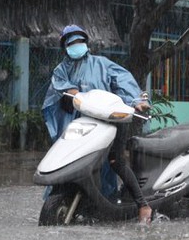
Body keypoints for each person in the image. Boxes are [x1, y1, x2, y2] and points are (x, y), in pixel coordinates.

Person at [41, 24, 153, 225]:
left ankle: (143, 204)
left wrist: (138, 101)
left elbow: (124, 80)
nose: (76, 45)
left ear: (86, 43)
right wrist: (77, 96)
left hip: (110, 121)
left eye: (79, 41)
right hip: (81, 124)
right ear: (65, 47)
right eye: (71, 42)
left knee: (115, 161)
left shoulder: (102, 64)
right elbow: (64, 90)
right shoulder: (61, 71)